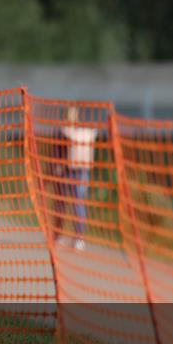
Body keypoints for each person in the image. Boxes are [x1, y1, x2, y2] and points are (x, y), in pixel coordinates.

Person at [59, 106, 97, 251]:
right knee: (64, 204)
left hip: (78, 171)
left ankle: (78, 237)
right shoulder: (72, 132)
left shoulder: (74, 133)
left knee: (76, 204)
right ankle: (61, 235)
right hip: (70, 171)